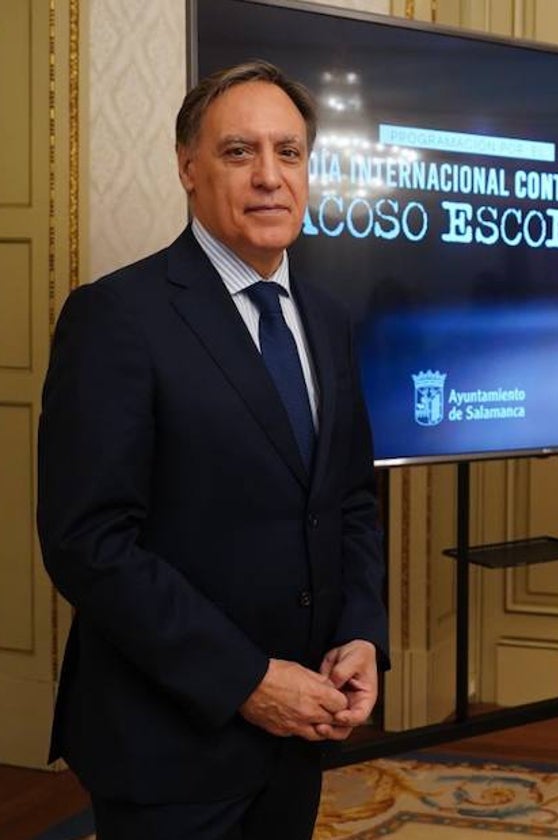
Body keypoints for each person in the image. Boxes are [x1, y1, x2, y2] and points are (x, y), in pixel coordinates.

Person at [37, 60, 389, 839]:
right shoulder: (115, 317)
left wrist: (362, 631)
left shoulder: (326, 319)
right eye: (239, 152)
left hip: (300, 733)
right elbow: (87, 542)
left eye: (289, 153)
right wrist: (249, 681)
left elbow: (351, 499)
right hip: (170, 744)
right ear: (188, 168)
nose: (270, 176)